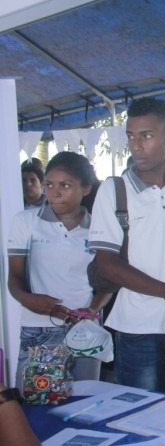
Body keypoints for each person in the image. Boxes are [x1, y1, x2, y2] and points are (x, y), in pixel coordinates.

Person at [88, 97, 165, 397]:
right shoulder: (115, 190)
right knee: (138, 418)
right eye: (131, 136)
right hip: (135, 327)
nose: (136, 145)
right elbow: (108, 265)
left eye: (146, 135)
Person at [8, 151, 109, 389]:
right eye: (49, 185)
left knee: (84, 400)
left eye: (65, 185)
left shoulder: (99, 228)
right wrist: (28, 299)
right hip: (39, 326)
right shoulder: (26, 222)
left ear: (85, 188)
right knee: (37, 401)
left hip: (84, 328)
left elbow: (108, 281)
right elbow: (14, 276)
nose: (55, 192)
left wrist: (92, 309)